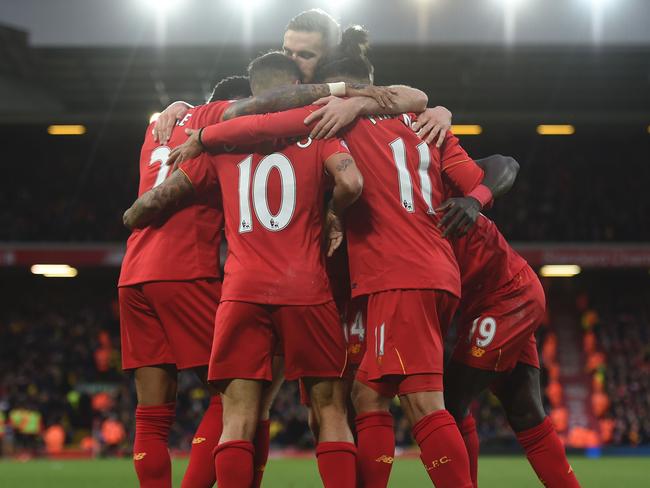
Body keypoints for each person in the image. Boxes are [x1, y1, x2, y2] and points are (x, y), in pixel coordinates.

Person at [124, 52, 364, 488]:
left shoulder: (212, 138)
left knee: (227, 412)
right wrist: (334, 214)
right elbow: (350, 182)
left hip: (227, 287)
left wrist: (137, 209)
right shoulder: (310, 127)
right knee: (328, 408)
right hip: (298, 284)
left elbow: (163, 194)